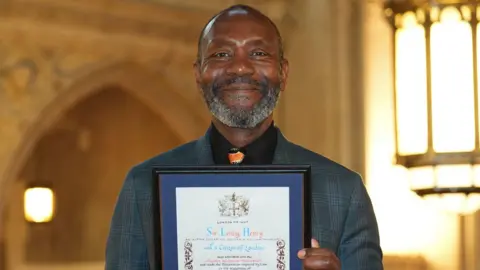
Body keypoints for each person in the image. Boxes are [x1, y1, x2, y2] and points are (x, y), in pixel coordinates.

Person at [105, 4, 383, 270]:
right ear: (198, 73)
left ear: (283, 73)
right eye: (221, 55)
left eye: (259, 53)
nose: (240, 68)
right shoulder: (143, 186)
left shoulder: (344, 191)